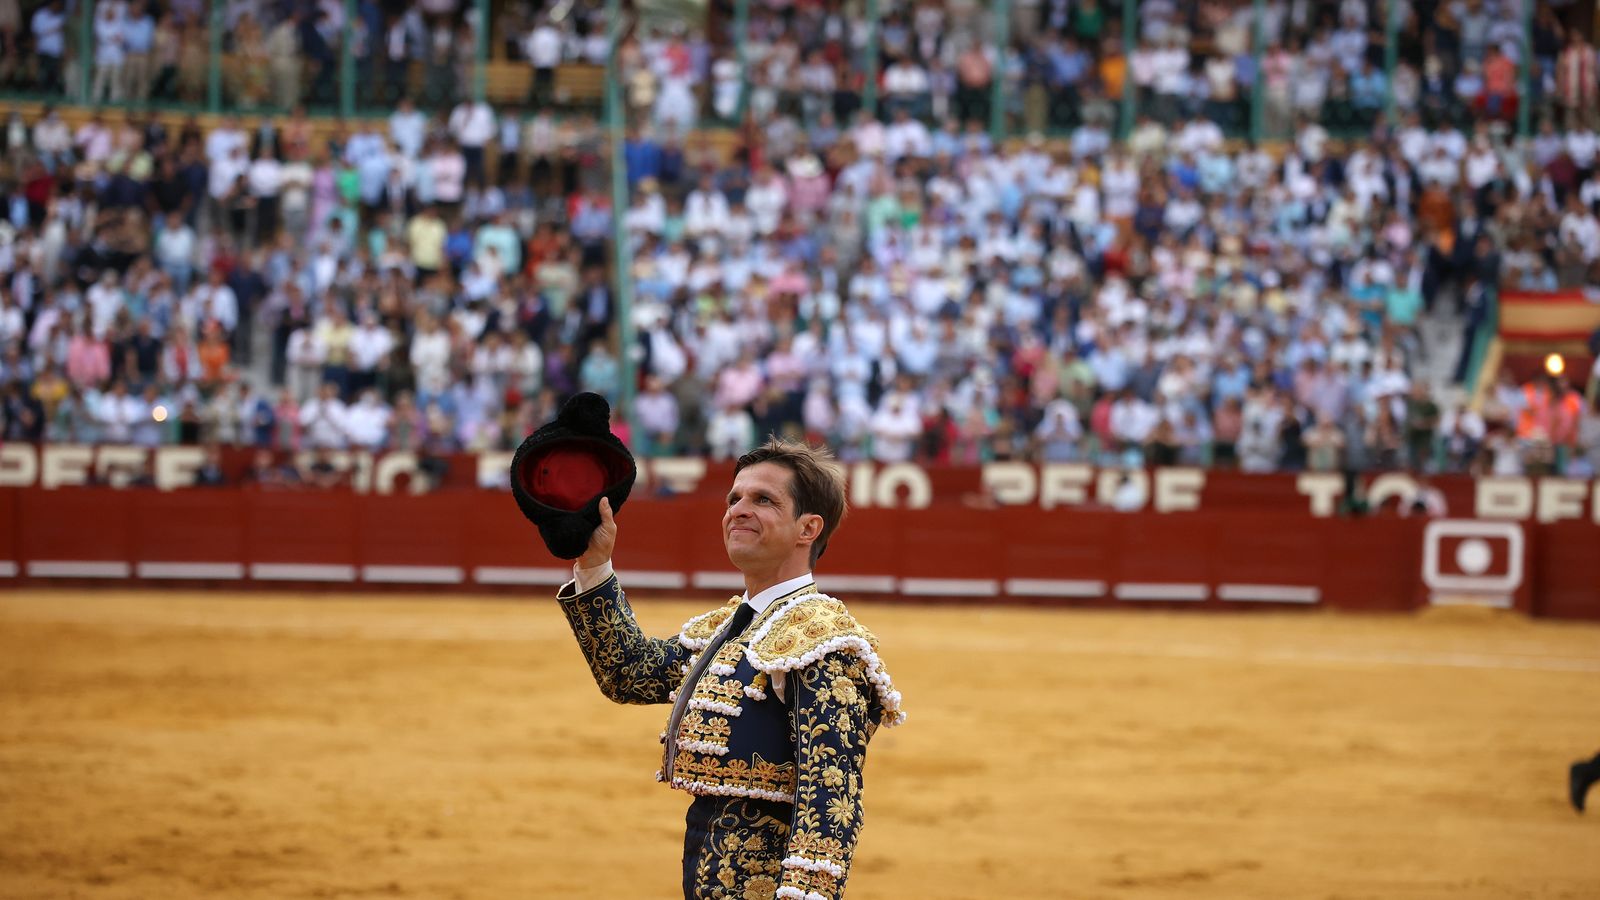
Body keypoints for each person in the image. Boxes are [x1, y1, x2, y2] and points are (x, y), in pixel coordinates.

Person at [554, 439, 905, 899]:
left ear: (808, 528)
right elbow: (630, 674)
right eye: (734, 498)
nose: (738, 510)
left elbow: (829, 806)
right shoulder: (731, 627)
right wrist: (594, 562)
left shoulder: (823, 642)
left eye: (763, 500)